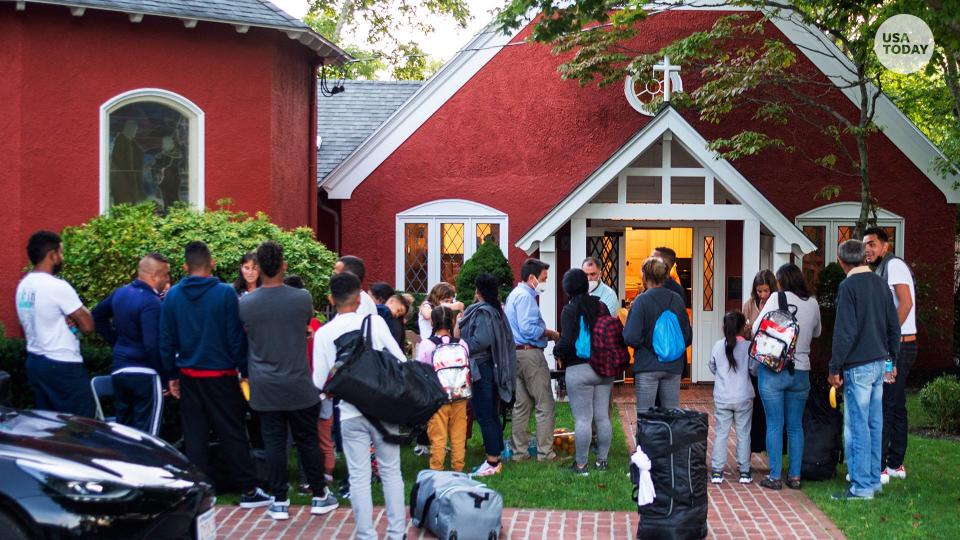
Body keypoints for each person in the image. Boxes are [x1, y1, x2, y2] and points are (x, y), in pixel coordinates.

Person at [159, 241, 271, 509]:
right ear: (212, 264)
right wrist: (244, 370)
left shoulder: (173, 295)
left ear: (185, 266)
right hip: (220, 374)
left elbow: (165, 339)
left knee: (194, 434)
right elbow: (235, 337)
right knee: (232, 432)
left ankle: (200, 492)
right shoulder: (224, 293)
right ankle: (248, 490)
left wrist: (171, 374)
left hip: (188, 374)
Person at [239, 242, 338, 520]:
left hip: (264, 385)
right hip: (297, 382)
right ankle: (319, 495)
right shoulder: (301, 298)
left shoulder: (246, 303)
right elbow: (304, 325)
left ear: (257, 268)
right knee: (307, 440)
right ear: (283, 265)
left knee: (273, 443)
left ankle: (279, 500)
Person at [313, 272, 407, 540]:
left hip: (350, 411)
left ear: (331, 299)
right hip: (383, 408)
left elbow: (319, 381)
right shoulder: (375, 323)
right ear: (359, 299)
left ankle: (366, 534)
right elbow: (399, 360)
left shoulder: (325, 333)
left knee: (358, 476)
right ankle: (396, 532)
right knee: (391, 471)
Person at [828, 239, 901, 500]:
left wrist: (834, 367)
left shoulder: (848, 286)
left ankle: (860, 488)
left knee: (857, 427)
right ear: (864, 257)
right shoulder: (881, 284)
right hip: (879, 363)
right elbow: (894, 327)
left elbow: (844, 332)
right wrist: (892, 362)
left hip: (856, 366)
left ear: (841, 261)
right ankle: (872, 481)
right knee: (874, 424)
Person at [751, 263, 821, 491]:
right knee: (795, 426)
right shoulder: (812, 302)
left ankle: (774, 476)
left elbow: (755, 330)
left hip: (774, 368)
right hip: (801, 370)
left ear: (781, 281)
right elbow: (818, 332)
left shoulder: (775, 299)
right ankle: (795, 476)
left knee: (774, 424)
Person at [16, 230, 95, 417]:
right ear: (52, 254)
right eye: (61, 252)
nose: (62, 257)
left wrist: (70, 318)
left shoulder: (24, 285)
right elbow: (88, 325)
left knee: (48, 425)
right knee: (80, 425)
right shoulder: (56, 286)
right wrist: (76, 317)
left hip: (36, 361)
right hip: (63, 364)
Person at [92, 253, 171, 433]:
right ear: (154, 276)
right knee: (147, 437)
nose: (167, 279)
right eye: (165, 274)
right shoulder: (152, 302)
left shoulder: (121, 293)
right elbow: (152, 344)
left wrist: (116, 342)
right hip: (145, 374)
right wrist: (165, 377)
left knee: (124, 434)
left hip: (120, 371)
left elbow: (97, 316)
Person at [864, 227, 916, 483]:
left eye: (872, 244)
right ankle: (896, 463)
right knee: (896, 404)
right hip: (899, 345)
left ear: (886, 246)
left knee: (887, 404)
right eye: (865, 245)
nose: (868, 249)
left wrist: (888, 340)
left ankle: (885, 465)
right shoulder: (883, 269)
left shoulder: (894, 266)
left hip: (900, 346)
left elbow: (906, 304)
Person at [552, 268, 614, 476]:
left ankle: (581, 465)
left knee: (583, 419)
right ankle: (602, 462)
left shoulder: (569, 309)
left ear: (567, 288)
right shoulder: (602, 306)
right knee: (603, 417)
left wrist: (556, 351)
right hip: (604, 368)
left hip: (579, 368)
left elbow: (567, 341)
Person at [458, 273, 517, 477]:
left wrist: (462, 345)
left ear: (478, 291)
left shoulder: (484, 313)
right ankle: (496, 455)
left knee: (485, 415)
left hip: (482, 370)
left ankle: (493, 462)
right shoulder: (495, 311)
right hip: (488, 368)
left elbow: (481, 341)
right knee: (490, 413)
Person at [504, 258, 560, 461]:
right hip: (530, 354)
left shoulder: (513, 295)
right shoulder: (526, 297)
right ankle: (546, 453)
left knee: (522, 404)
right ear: (531, 278)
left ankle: (520, 452)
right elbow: (528, 329)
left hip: (515, 354)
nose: (545, 282)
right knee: (544, 404)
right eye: (543, 278)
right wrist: (548, 332)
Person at [623, 257, 692, 412]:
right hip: (673, 366)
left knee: (646, 415)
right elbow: (687, 337)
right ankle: (669, 437)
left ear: (644, 277)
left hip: (647, 365)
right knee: (671, 413)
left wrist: (649, 344)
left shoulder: (641, 301)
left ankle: (649, 438)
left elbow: (631, 337)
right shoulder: (677, 300)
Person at [417, 306, 469, 472]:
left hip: (438, 397)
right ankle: (458, 469)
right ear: (452, 322)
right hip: (460, 395)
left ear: (432, 321)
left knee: (438, 437)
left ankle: (436, 470)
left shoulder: (427, 345)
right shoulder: (462, 344)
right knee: (458, 435)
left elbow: (421, 371)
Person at [709, 311, 756, 485]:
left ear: (724, 327)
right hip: (744, 396)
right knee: (744, 433)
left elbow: (712, 366)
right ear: (743, 328)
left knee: (721, 433)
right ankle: (744, 471)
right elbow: (754, 369)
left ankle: (717, 471)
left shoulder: (717, 345)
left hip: (722, 396)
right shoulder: (749, 347)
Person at [742, 270, 777, 338]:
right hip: (753, 345)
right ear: (755, 290)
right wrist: (746, 329)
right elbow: (741, 328)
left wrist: (754, 326)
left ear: (772, 289)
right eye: (759, 291)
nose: (762, 295)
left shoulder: (777, 303)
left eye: (766, 291)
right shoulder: (750, 304)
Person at [371, 282, 407, 348]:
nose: (397, 315)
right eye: (398, 310)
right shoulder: (385, 311)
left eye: (399, 315)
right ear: (392, 301)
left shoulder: (386, 312)